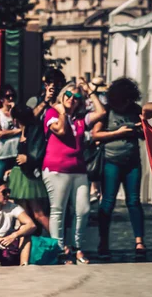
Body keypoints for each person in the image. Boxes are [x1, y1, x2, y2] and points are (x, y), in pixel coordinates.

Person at [42, 80, 106, 264]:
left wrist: (91, 92)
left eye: (76, 97)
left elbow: (101, 112)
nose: (72, 99)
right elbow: (61, 131)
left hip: (78, 169)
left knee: (84, 209)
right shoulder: (52, 113)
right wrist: (62, 111)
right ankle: (60, 250)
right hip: (56, 169)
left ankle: (78, 247)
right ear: (62, 96)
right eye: (68, 95)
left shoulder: (80, 119)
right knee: (58, 211)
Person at [92, 78, 146, 261]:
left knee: (134, 201)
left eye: (128, 101)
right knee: (107, 202)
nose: (126, 104)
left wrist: (139, 130)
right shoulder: (108, 112)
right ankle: (103, 242)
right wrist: (118, 133)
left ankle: (139, 241)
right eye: (123, 101)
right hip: (111, 162)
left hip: (132, 163)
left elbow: (145, 135)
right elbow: (95, 135)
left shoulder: (136, 110)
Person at [7, 105, 49, 234]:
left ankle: (60, 243)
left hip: (27, 176)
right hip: (19, 173)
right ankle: (28, 245)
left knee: (38, 213)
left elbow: (37, 152)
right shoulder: (25, 130)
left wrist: (28, 158)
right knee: (24, 215)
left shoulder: (33, 129)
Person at [0, 84, 21, 180]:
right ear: (1, 99)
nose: (11, 98)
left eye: (13, 96)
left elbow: (22, 126)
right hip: (0, 156)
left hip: (15, 154)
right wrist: (18, 131)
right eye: (7, 96)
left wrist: (14, 112)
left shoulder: (16, 113)